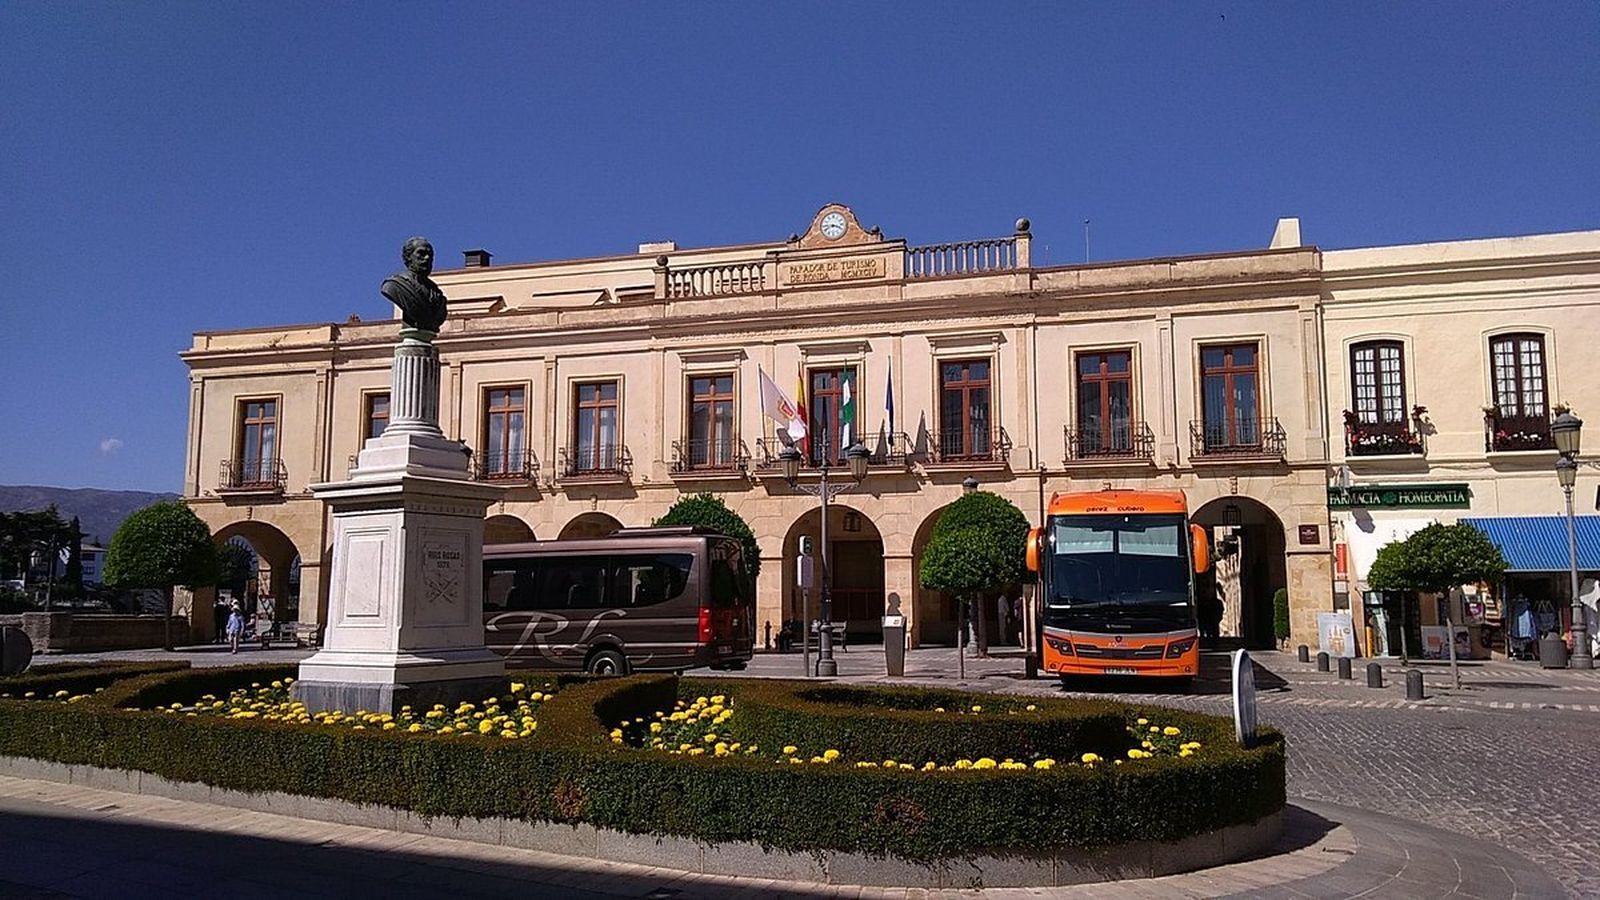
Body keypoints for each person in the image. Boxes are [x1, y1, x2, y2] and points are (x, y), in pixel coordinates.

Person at [380, 237, 449, 333]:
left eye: (430, 255)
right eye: (421, 253)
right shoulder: (394, 285)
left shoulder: (437, 295)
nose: (427, 258)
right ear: (408, 256)